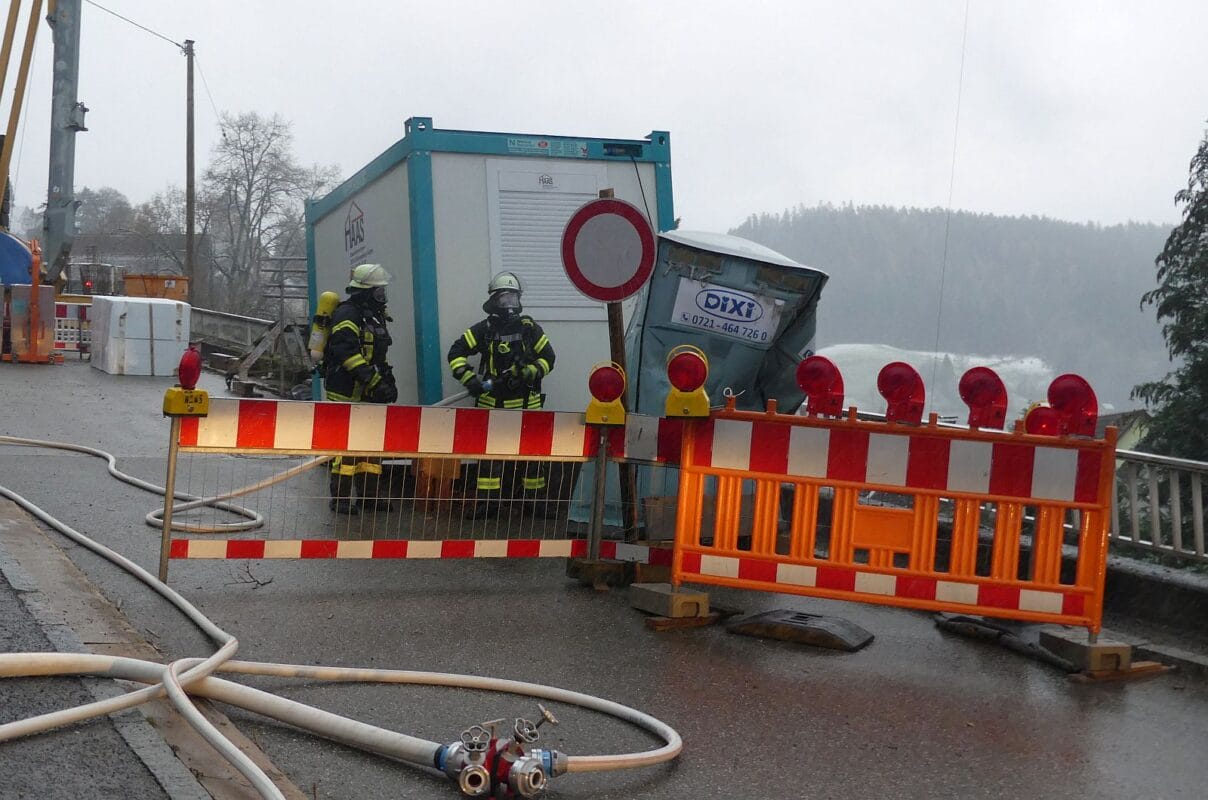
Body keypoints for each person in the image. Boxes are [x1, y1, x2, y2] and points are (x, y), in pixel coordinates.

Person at [447, 271, 556, 519]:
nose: (510, 304)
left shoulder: (529, 328)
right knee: (489, 457)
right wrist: (469, 379)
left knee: (533, 456)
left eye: (513, 298)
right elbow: (456, 352)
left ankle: (534, 503)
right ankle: (488, 504)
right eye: (504, 298)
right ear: (494, 301)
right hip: (492, 404)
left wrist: (528, 372)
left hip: (527, 405)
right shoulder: (485, 330)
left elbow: (549, 358)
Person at [324, 263, 398, 514]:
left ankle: (369, 497)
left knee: (372, 447)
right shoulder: (347, 314)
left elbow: (377, 354)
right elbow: (346, 352)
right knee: (346, 449)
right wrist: (374, 381)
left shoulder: (374, 316)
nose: (382, 295)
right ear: (365, 291)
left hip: (368, 391)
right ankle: (341, 499)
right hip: (346, 391)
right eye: (378, 290)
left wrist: (387, 380)